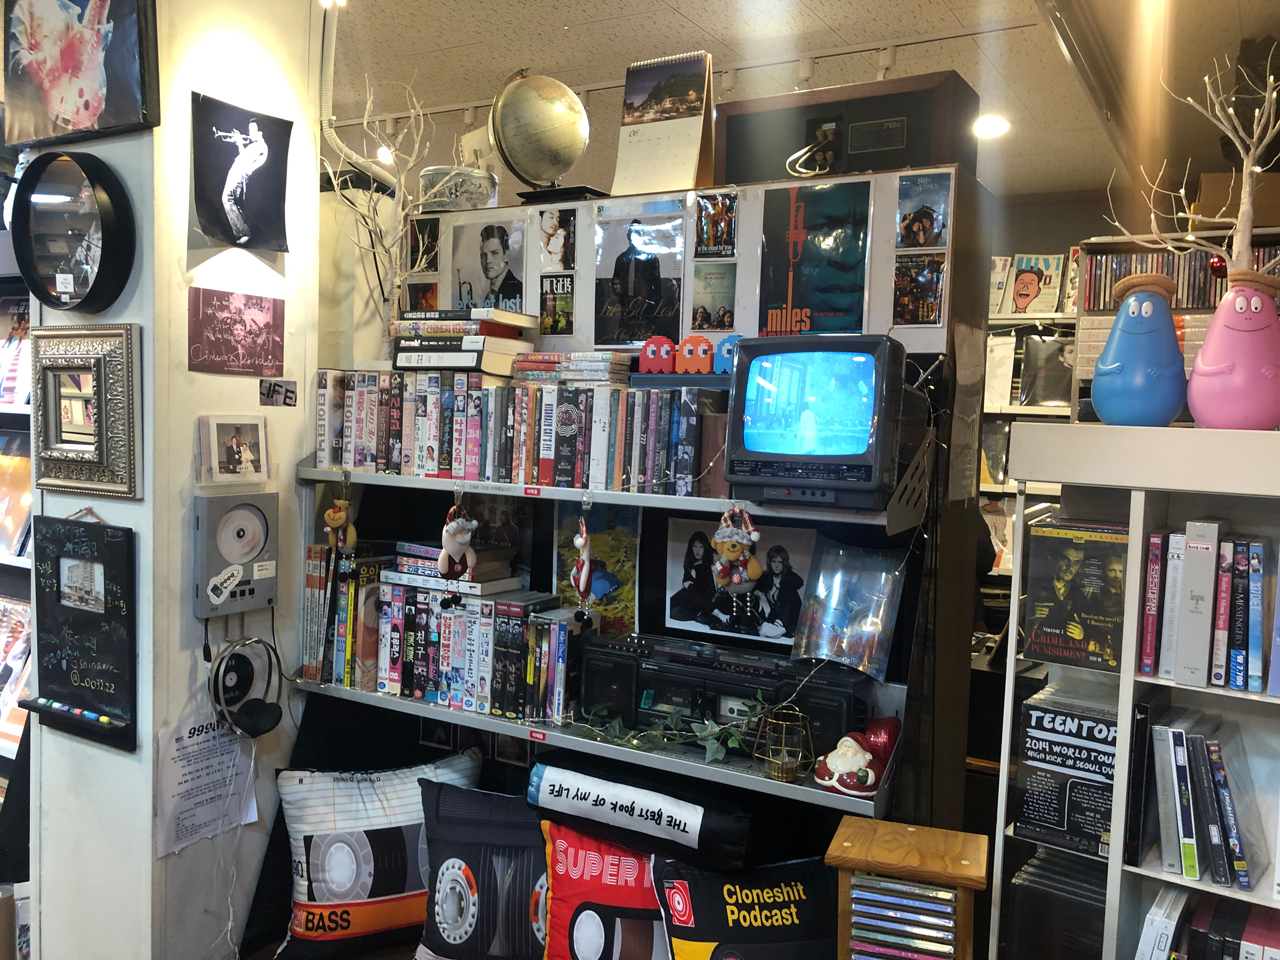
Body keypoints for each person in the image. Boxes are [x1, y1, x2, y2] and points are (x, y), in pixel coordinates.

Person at [215, 119, 269, 245]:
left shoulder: (260, 146)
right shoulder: (255, 146)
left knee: (227, 199)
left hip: (239, 174)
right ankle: (241, 233)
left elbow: (245, 161)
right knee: (233, 202)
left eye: (252, 130)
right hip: (238, 172)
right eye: (249, 130)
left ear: (260, 132)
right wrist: (239, 143)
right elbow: (244, 157)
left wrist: (239, 141)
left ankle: (244, 233)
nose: (249, 133)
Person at [1027, 540, 1086, 645]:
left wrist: (1081, 634)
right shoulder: (1034, 585)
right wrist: (1028, 615)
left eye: (1076, 562)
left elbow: (1092, 629)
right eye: (1065, 559)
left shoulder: (1079, 595)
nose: (1070, 567)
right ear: (1052, 558)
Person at [611, 220, 662, 319]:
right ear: (628, 236)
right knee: (626, 327)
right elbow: (615, 280)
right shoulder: (621, 259)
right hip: (625, 305)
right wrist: (620, 295)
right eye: (632, 233)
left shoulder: (651, 259)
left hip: (646, 306)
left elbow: (657, 286)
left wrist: (655, 307)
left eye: (638, 233)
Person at [752, 545, 805, 638]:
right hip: (771, 616)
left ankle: (779, 624)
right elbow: (754, 588)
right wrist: (761, 595)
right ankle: (763, 625)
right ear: (770, 562)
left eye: (780, 562)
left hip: (789, 618)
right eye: (774, 561)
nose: (776, 565)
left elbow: (799, 582)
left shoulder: (790, 577)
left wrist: (781, 585)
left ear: (784, 563)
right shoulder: (766, 576)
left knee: (789, 589)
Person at [670, 531, 714, 621]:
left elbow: (706, 588)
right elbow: (686, 579)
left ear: (705, 548)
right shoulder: (689, 561)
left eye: (701, 547)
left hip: (703, 597)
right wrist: (686, 583)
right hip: (690, 593)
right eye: (695, 547)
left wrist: (698, 569)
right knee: (672, 602)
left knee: (678, 612)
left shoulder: (708, 564)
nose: (697, 551)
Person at [478, 225, 522, 311]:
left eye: (494, 253)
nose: (487, 260)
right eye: (484, 255)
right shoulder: (490, 292)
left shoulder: (517, 290)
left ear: (506, 255)